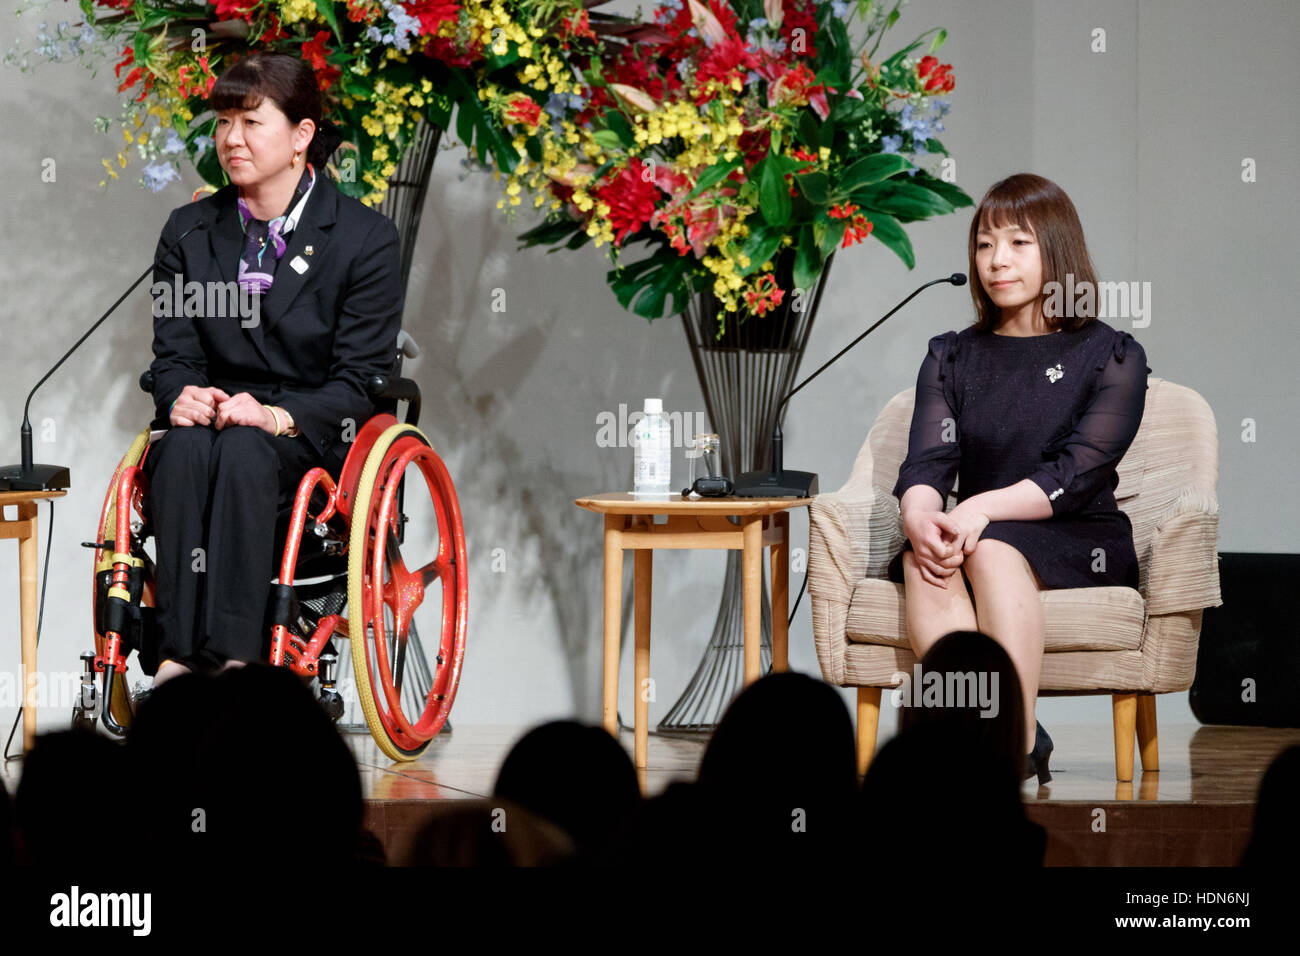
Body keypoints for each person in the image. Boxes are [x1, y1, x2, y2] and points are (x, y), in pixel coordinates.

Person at [143, 52, 403, 685]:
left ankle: (237, 664)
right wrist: (180, 394)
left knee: (245, 452)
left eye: (251, 121)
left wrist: (277, 415)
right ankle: (177, 660)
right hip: (211, 422)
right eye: (224, 120)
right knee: (179, 450)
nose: (231, 138)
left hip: (308, 433)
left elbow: (361, 381)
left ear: (301, 136)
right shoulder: (188, 232)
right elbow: (173, 355)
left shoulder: (363, 239)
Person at [885, 173, 1151, 782]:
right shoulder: (951, 355)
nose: (996, 260)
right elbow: (927, 462)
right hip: (977, 524)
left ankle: (1013, 744)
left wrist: (979, 509)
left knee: (992, 551)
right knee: (927, 561)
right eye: (983, 244)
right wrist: (921, 518)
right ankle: (992, 736)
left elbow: (1078, 470)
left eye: (1018, 243)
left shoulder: (1112, 354)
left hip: (1076, 531)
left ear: (1057, 250)